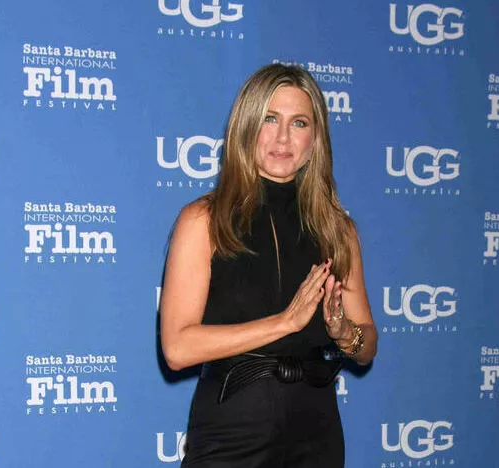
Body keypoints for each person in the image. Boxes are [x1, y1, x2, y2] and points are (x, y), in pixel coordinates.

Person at [159, 63, 377, 467]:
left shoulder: (338, 229)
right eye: (269, 119)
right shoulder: (203, 221)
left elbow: (368, 345)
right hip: (232, 429)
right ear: (246, 126)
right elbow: (177, 348)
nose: (283, 137)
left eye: (299, 123)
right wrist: (284, 323)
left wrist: (345, 332)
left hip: (316, 432)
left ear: (316, 138)